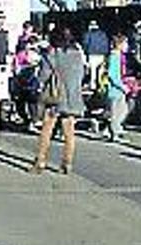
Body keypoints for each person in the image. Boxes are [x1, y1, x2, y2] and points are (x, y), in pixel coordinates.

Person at [32, 27, 85, 175]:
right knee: (69, 133)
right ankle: (67, 163)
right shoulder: (78, 54)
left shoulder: (53, 53)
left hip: (55, 97)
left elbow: (43, 76)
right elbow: (81, 75)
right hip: (73, 97)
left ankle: (40, 161)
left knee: (46, 130)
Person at [107, 34, 129, 142]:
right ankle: (114, 133)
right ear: (119, 44)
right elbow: (113, 74)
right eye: (125, 43)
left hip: (119, 89)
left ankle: (114, 129)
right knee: (117, 112)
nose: (127, 46)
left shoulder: (119, 56)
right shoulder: (115, 56)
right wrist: (122, 86)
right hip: (115, 90)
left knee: (123, 110)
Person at [82, 20, 109, 90]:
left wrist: (86, 52)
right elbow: (106, 44)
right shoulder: (103, 34)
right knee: (100, 71)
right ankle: (100, 86)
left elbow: (85, 44)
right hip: (102, 55)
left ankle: (93, 86)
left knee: (93, 72)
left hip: (92, 55)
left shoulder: (88, 34)